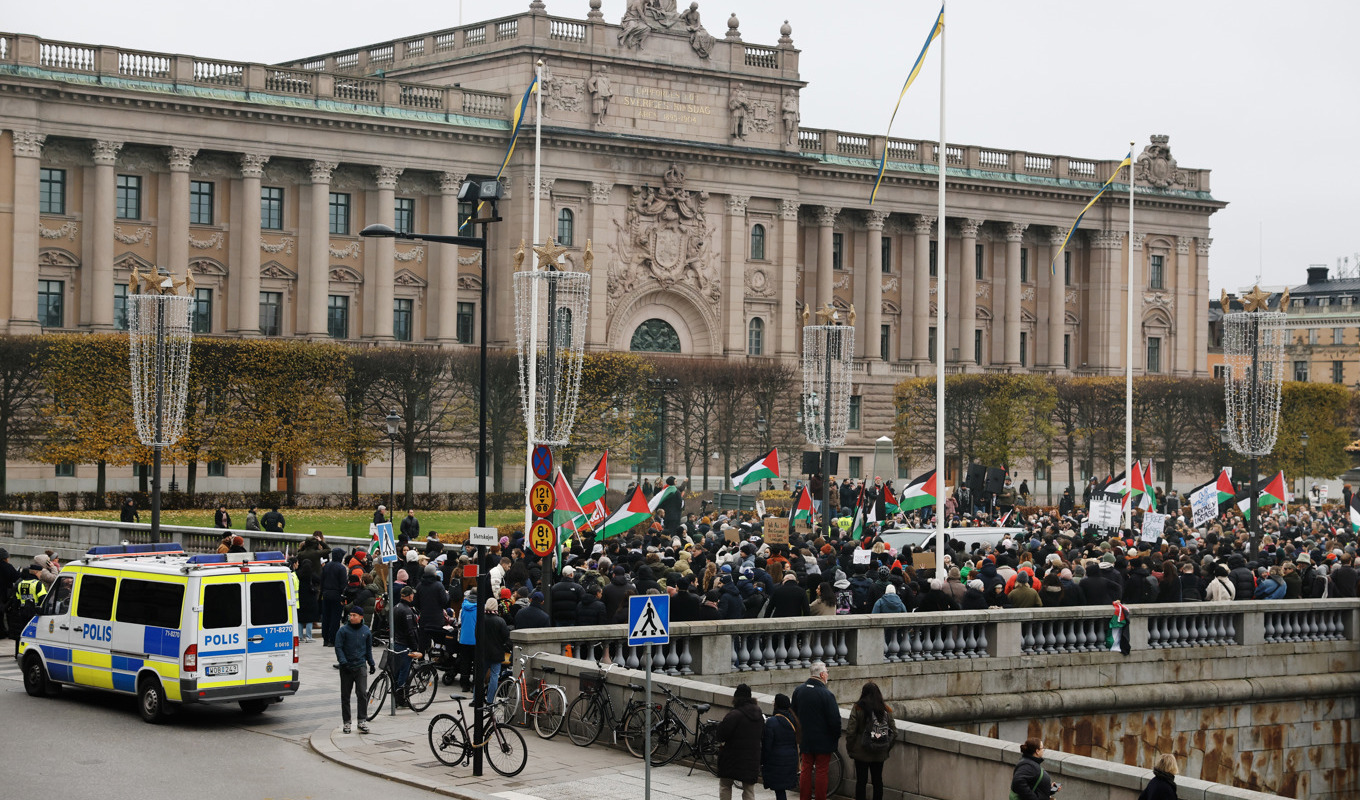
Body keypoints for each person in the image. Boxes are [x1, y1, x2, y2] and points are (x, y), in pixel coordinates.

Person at [791, 661, 841, 800]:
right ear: (822, 674)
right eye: (827, 672)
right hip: (823, 740)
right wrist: (835, 737)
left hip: (805, 738)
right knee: (821, 771)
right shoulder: (827, 694)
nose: (828, 675)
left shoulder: (799, 691)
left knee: (806, 769)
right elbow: (835, 720)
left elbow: (793, 713)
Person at [845, 681, 894, 800]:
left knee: (861, 781)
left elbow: (851, 732)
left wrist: (851, 749)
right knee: (877, 781)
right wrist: (886, 747)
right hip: (879, 752)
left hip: (861, 751)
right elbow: (894, 732)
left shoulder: (857, 708)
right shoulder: (886, 709)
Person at [716, 683, 764, 800]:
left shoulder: (734, 715)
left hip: (732, 758)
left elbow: (721, 735)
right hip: (752, 758)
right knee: (749, 789)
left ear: (736, 698)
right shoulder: (759, 714)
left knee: (725, 785)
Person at [335, 604, 376, 735]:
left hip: (360, 666)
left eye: (354, 615)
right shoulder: (343, 631)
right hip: (346, 667)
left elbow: (368, 649)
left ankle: (361, 721)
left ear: (361, 617)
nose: (351, 617)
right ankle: (347, 722)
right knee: (345, 695)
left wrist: (371, 663)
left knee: (362, 694)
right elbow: (338, 647)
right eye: (350, 615)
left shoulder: (366, 631)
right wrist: (343, 662)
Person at [762, 692, 800, 800]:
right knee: (781, 790)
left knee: (779, 790)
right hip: (791, 759)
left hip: (777, 760)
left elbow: (767, 745)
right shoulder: (793, 720)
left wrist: (763, 761)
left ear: (777, 705)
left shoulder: (772, 722)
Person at [392, 586, 424, 706]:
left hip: (397, 643)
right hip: (405, 645)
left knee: (397, 671)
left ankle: (396, 696)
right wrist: (415, 647)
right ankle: (401, 698)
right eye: (412, 594)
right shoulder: (407, 611)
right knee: (403, 672)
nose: (413, 596)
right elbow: (410, 631)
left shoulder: (396, 607)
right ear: (409, 596)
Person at [479, 597, 511, 703]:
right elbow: (506, 636)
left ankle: (476, 698)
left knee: (480, 675)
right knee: (494, 676)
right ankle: (490, 700)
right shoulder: (500, 621)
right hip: (497, 652)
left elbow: (476, 635)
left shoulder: (481, 619)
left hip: (483, 652)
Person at [10, 562, 47, 656]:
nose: (41, 574)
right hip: (34, 613)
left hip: (22, 612)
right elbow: (43, 599)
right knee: (33, 635)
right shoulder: (38, 584)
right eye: (40, 572)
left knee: (23, 633)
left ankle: (20, 653)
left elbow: (17, 599)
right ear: (36, 572)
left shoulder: (21, 583)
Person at [319, 548, 348, 647]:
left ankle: (325, 639)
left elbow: (322, 581)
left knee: (326, 617)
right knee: (335, 618)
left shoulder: (326, 566)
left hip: (326, 594)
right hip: (336, 595)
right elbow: (343, 584)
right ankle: (333, 639)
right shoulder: (341, 568)